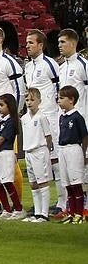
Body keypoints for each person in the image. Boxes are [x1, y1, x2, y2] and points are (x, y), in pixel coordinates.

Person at [22, 30, 61, 212]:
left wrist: (58, 111)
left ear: (41, 45)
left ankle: (62, 201)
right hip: (34, 118)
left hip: (50, 117)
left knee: (54, 160)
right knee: (35, 162)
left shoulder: (50, 63)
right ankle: (40, 206)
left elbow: (59, 86)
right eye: (26, 43)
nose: (27, 46)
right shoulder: (28, 67)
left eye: (31, 43)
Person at [21, 87, 54, 223]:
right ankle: (37, 212)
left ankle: (44, 214)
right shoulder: (24, 118)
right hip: (28, 152)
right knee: (33, 184)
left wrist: (46, 151)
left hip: (39, 151)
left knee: (42, 182)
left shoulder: (42, 117)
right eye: (27, 100)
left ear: (39, 101)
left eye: (32, 100)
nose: (29, 102)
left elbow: (48, 136)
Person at [56, 86, 87, 223]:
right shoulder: (62, 117)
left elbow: (85, 136)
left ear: (71, 100)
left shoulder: (77, 117)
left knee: (76, 183)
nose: (59, 100)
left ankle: (79, 213)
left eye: (62, 98)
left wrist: (84, 152)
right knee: (67, 183)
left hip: (74, 149)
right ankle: (71, 212)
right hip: (62, 149)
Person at [0, 93, 23, 219]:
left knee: (7, 182)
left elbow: (2, 139)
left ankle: (18, 208)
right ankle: (7, 209)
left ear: (9, 106)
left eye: (1, 105)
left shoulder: (11, 121)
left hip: (5, 153)